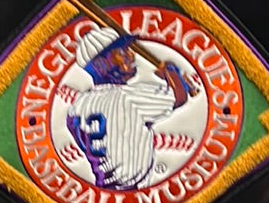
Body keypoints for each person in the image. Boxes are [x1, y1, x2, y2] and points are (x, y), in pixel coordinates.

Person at [67, 26, 192, 191]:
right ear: (101, 65)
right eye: (121, 52)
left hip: (104, 189)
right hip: (133, 190)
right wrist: (172, 72)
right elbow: (179, 97)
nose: (131, 55)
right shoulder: (129, 97)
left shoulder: (77, 106)